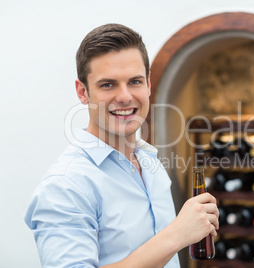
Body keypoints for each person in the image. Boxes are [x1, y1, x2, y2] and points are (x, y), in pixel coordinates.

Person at [24, 23, 219, 268]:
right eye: (108, 84)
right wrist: (177, 235)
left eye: (135, 81)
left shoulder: (151, 163)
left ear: (148, 85)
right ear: (82, 92)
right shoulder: (65, 185)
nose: (125, 96)